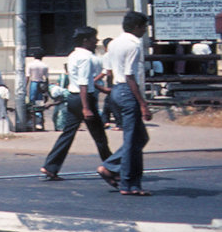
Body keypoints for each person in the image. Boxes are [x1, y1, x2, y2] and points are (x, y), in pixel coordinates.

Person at [40, 27, 113, 180]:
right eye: (94, 38)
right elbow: (84, 83)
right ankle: (113, 168)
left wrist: (101, 88)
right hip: (84, 99)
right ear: (85, 40)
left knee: (68, 134)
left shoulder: (73, 55)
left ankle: (50, 166)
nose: (96, 41)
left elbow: (84, 80)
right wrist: (86, 108)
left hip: (74, 98)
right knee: (100, 137)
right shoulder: (86, 57)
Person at [98, 11, 153, 196]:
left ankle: (123, 174)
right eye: (144, 27)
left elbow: (113, 71)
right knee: (131, 140)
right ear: (137, 27)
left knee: (139, 138)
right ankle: (127, 182)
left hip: (116, 90)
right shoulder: (134, 45)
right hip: (127, 90)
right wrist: (143, 103)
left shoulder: (114, 43)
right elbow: (129, 76)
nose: (144, 31)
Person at [26, 48, 49, 130]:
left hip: (33, 83)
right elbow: (46, 78)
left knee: (32, 102)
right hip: (41, 84)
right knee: (39, 103)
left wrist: (25, 87)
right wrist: (46, 90)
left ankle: (32, 122)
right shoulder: (44, 65)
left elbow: (27, 77)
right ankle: (39, 122)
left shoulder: (30, 65)